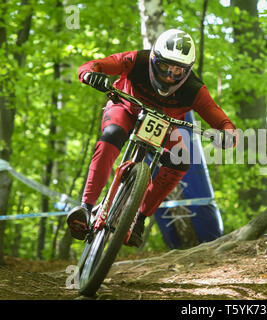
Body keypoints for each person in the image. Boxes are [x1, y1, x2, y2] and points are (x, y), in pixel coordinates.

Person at [67, 29, 238, 247]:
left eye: (177, 71)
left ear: (188, 71)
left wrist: (229, 136)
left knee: (181, 159)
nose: (169, 76)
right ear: (153, 59)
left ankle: (139, 218)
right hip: (125, 109)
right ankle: (86, 207)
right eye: (164, 66)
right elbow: (96, 64)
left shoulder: (195, 90)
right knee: (112, 135)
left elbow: (222, 121)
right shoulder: (137, 60)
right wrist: (90, 74)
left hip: (163, 125)